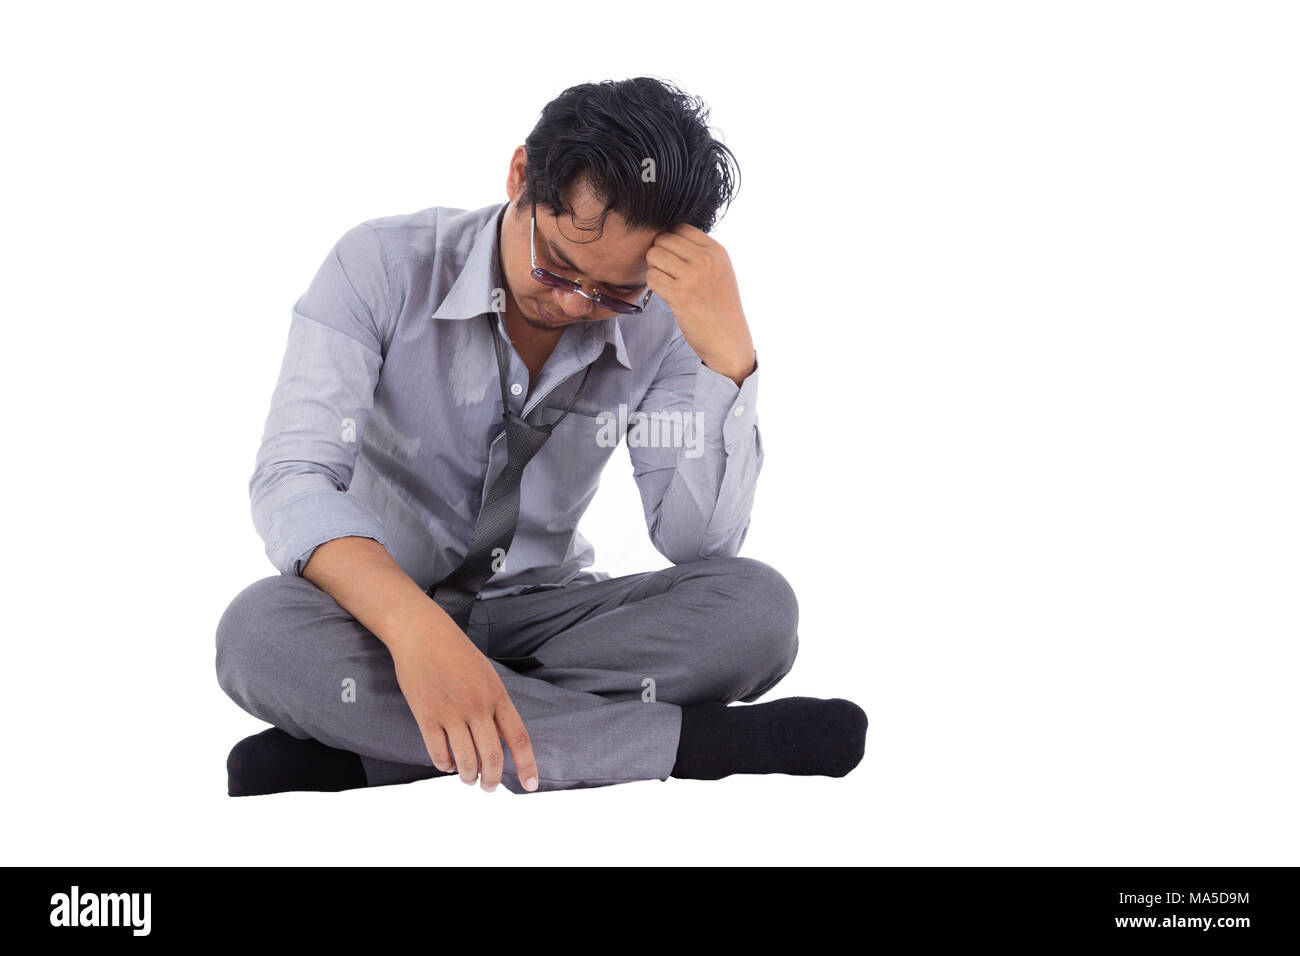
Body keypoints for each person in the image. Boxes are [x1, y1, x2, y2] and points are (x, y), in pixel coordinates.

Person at [215, 76, 867, 796]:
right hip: (379, 614)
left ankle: (381, 748)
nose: (575, 304)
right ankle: (689, 744)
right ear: (521, 175)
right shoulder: (379, 266)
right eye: (557, 265)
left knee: (759, 612)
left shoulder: (666, 320)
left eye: (614, 292)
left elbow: (696, 546)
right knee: (258, 635)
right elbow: (294, 479)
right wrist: (416, 632)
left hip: (548, 618)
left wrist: (728, 361)